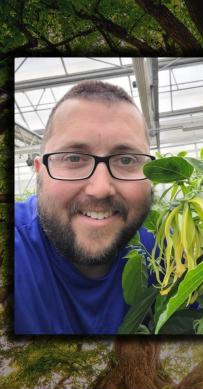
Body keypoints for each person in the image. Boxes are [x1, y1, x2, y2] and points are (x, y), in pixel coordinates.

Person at [15, 80, 156, 334]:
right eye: (74, 158)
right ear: (40, 171)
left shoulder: (171, 252)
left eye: (126, 159)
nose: (100, 188)